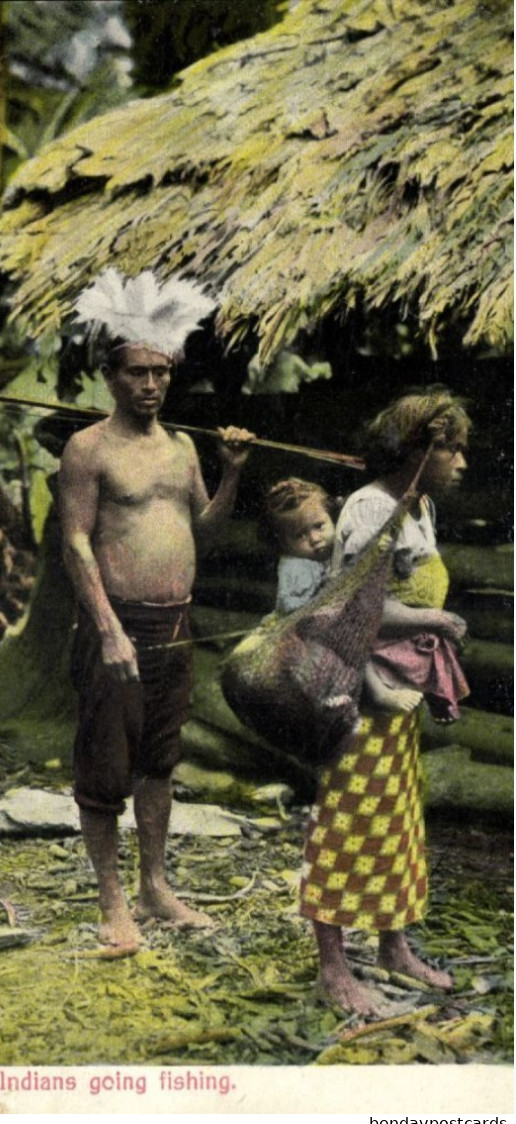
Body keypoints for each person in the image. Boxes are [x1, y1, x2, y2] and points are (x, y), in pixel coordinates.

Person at [58, 269, 255, 951]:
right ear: (110, 376)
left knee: (160, 760)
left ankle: (154, 884)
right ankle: (112, 901)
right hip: (117, 625)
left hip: (176, 622)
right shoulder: (88, 449)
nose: (150, 385)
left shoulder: (183, 449)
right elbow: (76, 542)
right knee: (105, 764)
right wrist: (107, 628)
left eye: (161, 372)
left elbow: (208, 530)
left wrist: (231, 471)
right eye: (137, 372)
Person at [298, 389, 470, 1016]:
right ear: (419, 447)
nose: (462, 462)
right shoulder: (370, 509)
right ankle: (333, 967)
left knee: (396, 817)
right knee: (348, 819)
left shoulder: (416, 506)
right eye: (451, 448)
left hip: (399, 692)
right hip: (359, 691)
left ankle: (394, 946)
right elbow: (352, 608)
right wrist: (437, 619)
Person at [260, 477, 469, 721]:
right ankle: (377, 691)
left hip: (344, 613)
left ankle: (438, 691)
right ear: (283, 543)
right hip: (312, 625)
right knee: (352, 635)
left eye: (319, 526)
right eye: (299, 536)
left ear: (331, 517)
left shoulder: (343, 542)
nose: (314, 538)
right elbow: (299, 607)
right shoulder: (296, 566)